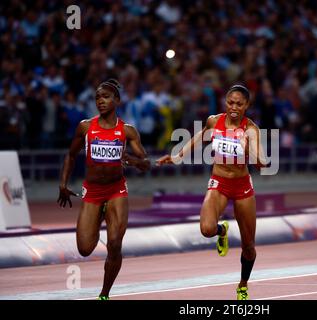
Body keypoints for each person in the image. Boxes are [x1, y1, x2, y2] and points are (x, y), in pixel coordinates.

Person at [156, 84, 268, 300]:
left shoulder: (251, 129)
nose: (233, 107)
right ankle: (221, 231)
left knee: (249, 246)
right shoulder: (214, 120)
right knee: (207, 229)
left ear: (247, 106)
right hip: (219, 181)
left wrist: (251, 152)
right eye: (230, 102)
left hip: (242, 185)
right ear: (225, 102)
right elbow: (200, 137)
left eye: (239, 104)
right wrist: (178, 155)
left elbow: (262, 161)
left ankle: (243, 284)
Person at [57, 79, 151, 300]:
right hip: (93, 191)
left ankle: (104, 294)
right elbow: (71, 155)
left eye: (106, 97)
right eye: (97, 97)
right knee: (85, 248)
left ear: (117, 101)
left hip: (116, 190)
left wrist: (134, 161)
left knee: (115, 243)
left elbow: (145, 162)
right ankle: (98, 217)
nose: (100, 101)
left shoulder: (127, 131)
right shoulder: (86, 127)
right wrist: (63, 184)